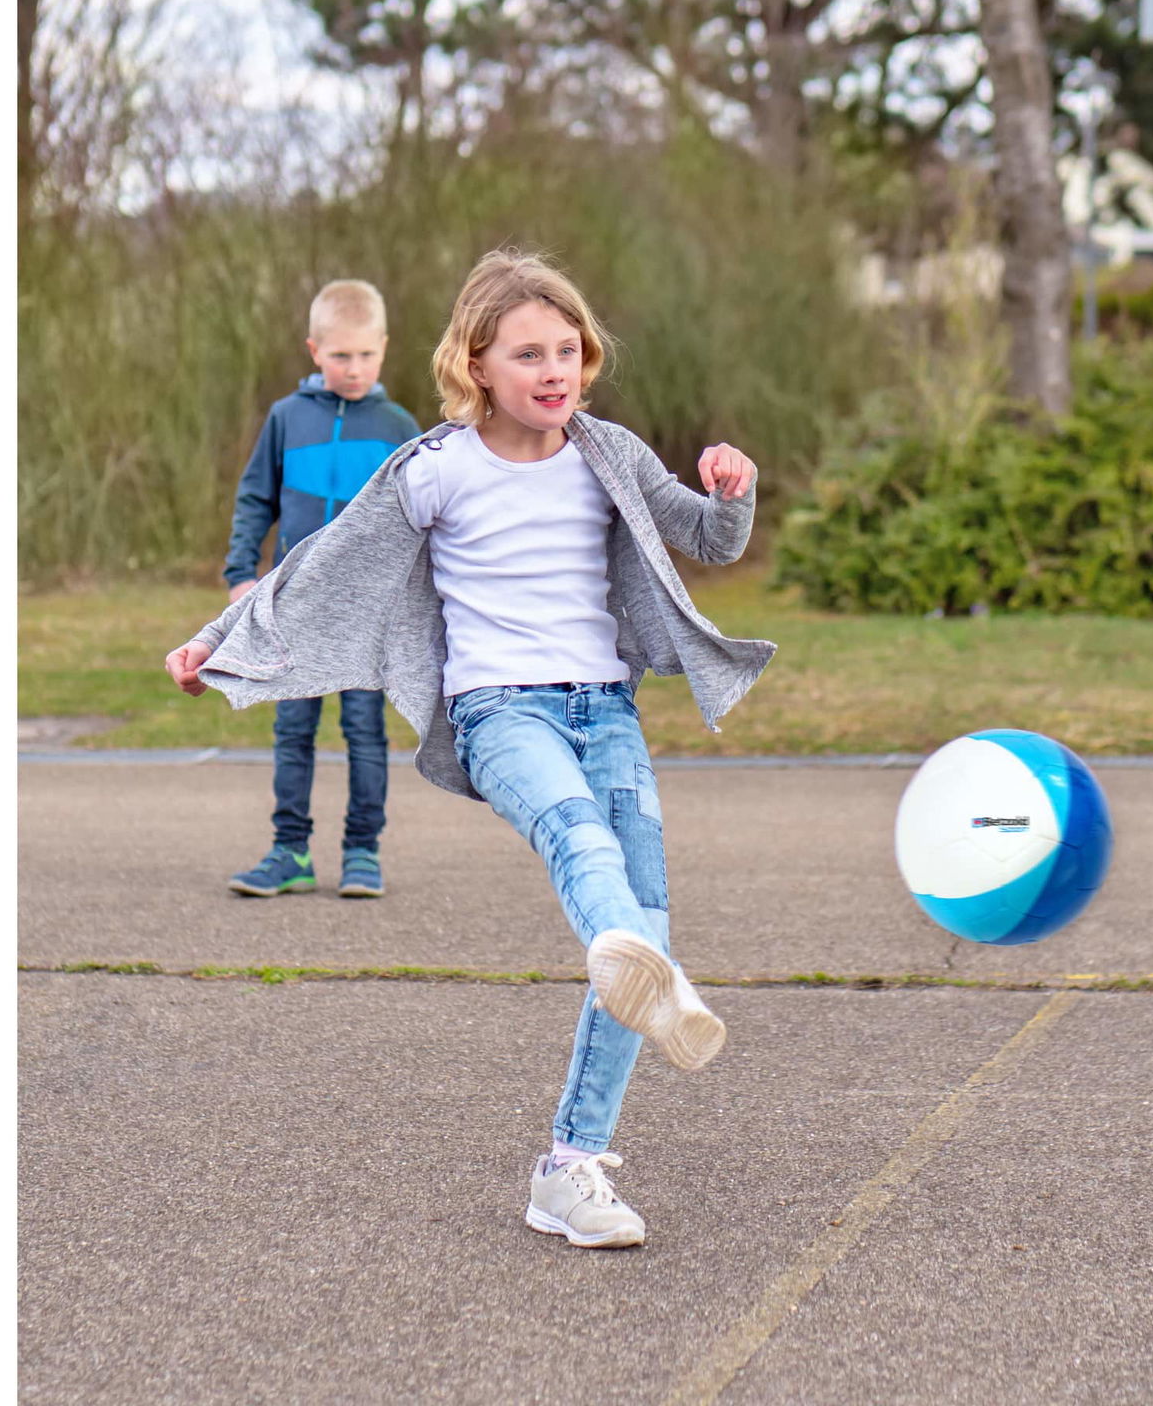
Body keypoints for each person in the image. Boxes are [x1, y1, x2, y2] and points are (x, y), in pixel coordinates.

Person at [165, 249, 775, 1248]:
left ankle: (569, 1171)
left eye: (568, 350)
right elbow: (321, 565)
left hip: (605, 711)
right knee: (582, 845)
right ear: (476, 363)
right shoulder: (435, 469)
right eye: (528, 354)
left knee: (642, 929)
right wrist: (216, 639)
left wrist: (731, 490)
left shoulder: (608, 453)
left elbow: (709, 540)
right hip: (499, 714)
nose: (554, 370)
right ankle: (647, 973)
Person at [221, 279, 420, 898]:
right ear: (314, 351)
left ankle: (362, 851)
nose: (354, 368)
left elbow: (418, 520)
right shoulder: (287, 418)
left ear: (383, 348)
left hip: (367, 613)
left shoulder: (399, 427)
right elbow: (256, 498)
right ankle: (290, 852)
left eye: (365, 355)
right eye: (340, 356)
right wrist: (241, 574)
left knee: (364, 730)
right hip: (294, 609)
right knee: (292, 731)